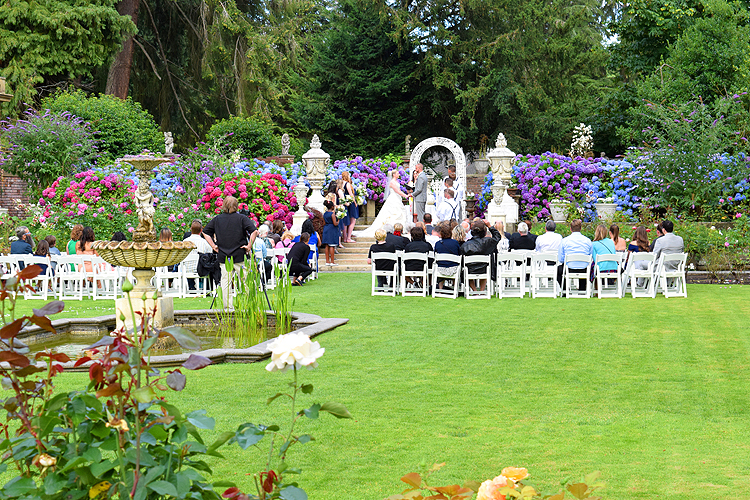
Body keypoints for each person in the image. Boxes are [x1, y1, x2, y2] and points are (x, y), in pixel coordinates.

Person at [202, 195, 258, 309]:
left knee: (226, 283)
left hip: (223, 255)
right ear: (236, 206)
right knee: (246, 281)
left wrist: (213, 246)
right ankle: (250, 305)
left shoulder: (217, 219)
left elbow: (205, 232)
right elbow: (254, 231)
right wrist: (249, 245)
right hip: (240, 254)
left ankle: (228, 307)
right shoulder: (241, 218)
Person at [355, 170, 408, 237]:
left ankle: (399, 229)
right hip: (393, 198)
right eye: (397, 173)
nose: (399, 174)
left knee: (399, 212)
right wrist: (406, 196)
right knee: (393, 213)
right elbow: (397, 191)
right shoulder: (392, 182)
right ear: (394, 174)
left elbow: (399, 190)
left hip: (397, 198)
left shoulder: (396, 181)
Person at [460, 219, 501, 291]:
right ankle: (481, 290)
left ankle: (475, 290)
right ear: (484, 232)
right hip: (484, 269)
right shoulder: (488, 242)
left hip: (470, 270)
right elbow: (497, 237)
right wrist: (490, 226)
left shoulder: (466, 245)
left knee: (465, 269)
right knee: (484, 267)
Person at [557, 219, 592, 292]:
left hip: (569, 268)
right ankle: (582, 289)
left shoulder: (565, 241)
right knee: (585, 266)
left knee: (558, 271)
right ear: (581, 228)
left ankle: (564, 290)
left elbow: (560, 259)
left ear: (570, 229)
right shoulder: (587, 241)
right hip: (584, 268)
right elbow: (590, 255)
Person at [434, 222, 461, 288]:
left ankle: (440, 289)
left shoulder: (438, 243)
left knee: (440, 264)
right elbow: (459, 254)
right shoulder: (455, 243)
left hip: (440, 269)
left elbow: (435, 255)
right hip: (453, 269)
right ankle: (455, 287)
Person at [341, 171, 358, 243]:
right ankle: (348, 238)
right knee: (352, 221)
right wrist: (355, 202)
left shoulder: (341, 183)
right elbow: (351, 194)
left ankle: (345, 237)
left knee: (345, 221)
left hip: (345, 203)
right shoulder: (347, 184)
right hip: (350, 203)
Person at [321, 200, 340, 265]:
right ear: (332, 207)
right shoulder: (332, 214)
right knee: (332, 245)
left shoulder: (325, 213)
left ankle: (327, 261)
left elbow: (324, 222)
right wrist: (339, 220)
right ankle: (332, 261)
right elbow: (335, 223)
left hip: (326, 228)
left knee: (327, 245)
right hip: (332, 229)